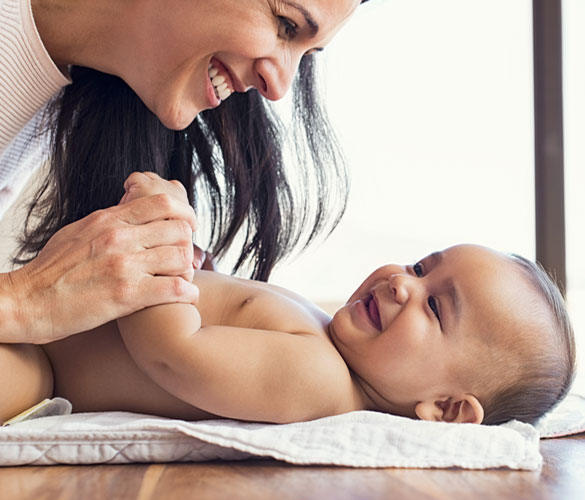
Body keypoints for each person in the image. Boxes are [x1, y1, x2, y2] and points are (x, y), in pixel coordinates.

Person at [0, 0, 368, 345]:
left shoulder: (64, 93)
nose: (280, 88)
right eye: (285, 24)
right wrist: (27, 298)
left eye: (306, 56)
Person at [0, 239, 575, 426]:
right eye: (423, 267)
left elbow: (173, 354)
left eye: (436, 309)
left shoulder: (321, 381)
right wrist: (204, 274)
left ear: (447, 409)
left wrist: (161, 251)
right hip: (51, 321)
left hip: (45, 366)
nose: (403, 284)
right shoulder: (326, 338)